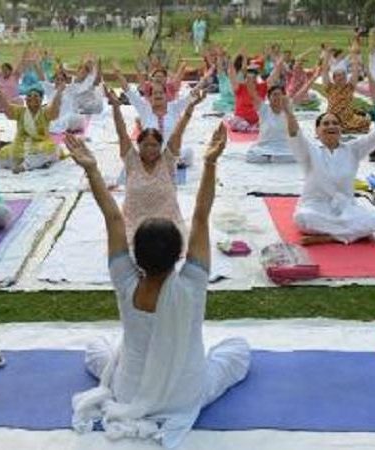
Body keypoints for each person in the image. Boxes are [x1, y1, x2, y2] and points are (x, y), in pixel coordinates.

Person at [67, 123, 250, 448]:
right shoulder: (192, 284)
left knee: (97, 347)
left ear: (135, 253)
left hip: (128, 392)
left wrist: (92, 169)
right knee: (237, 349)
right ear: (179, 253)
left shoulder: (125, 280)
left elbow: (113, 218)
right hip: (185, 393)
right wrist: (210, 162)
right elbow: (201, 217)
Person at [284, 90, 375, 246]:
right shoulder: (309, 151)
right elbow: (295, 135)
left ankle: (330, 237)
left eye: (335, 123)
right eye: (326, 123)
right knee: (303, 218)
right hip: (316, 207)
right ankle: (348, 233)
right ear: (317, 131)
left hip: (346, 208)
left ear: (341, 129)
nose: (331, 126)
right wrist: (289, 113)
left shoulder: (353, 149)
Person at [104, 85, 204, 244]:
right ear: (138, 145)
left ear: (161, 146)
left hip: (167, 221)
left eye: (154, 145)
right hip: (134, 222)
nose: (150, 149)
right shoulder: (131, 160)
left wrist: (190, 109)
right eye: (146, 145)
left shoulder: (168, 160)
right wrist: (116, 107)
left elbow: (179, 131)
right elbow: (121, 132)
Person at [113, 61, 208, 165]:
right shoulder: (145, 108)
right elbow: (128, 91)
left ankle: (171, 163)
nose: (158, 95)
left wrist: (203, 82)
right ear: (150, 97)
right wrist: (118, 73)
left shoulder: (174, 107)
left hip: (171, 153)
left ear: (166, 96)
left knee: (189, 152)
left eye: (161, 93)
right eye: (155, 93)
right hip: (149, 153)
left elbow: (191, 94)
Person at [0, 81, 64, 173]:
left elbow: (54, 111)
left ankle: (26, 165)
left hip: (40, 144)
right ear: (25, 99)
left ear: (41, 99)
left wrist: (59, 93)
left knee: (51, 149)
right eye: (29, 96)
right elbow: (8, 110)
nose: (32, 98)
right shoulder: (21, 111)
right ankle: (36, 163)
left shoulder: (44, 112)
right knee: (2, 155)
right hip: (20, 145)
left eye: (36, 96)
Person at [322, 41, 370, 134]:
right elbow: (324, 70)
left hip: (348, 117)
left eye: (343, 75)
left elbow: (355, 70)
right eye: (339, 75)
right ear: (334, 78)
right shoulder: (329, 87)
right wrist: (327, 54)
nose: (342, 77)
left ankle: (344, 127)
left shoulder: (349, 87)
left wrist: (354, 54)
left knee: (366, 121)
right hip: (333, 118)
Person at [244, 82, 295, 164]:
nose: (277, 97)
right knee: (251, 156)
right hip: (265, 145)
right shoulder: (264, 108)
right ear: (269, 97)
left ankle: (273, 157)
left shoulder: (287, 108)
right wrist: (249, 76)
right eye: (274, 95)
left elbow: (302, 92)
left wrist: (313, 78)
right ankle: (270, 157)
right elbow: (252, 93)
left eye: (280, 94)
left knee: (298, 155)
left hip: (284, 146)